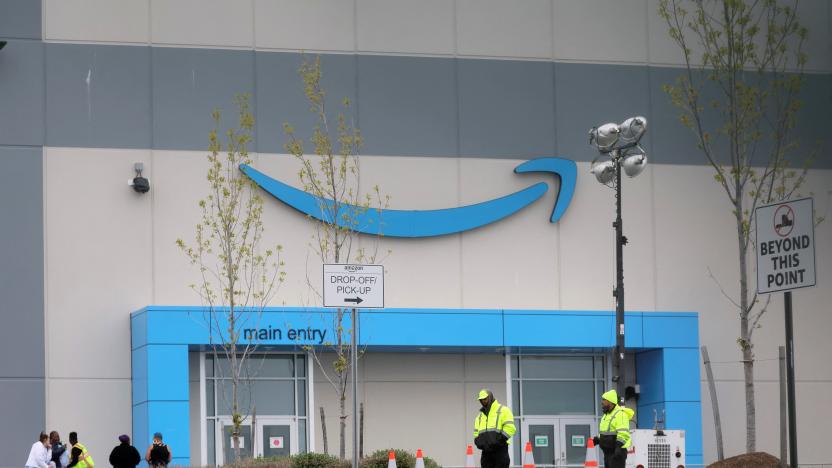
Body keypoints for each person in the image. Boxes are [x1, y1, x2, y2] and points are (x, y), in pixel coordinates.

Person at [473, 389, 516, 468]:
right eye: (481, 400)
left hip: (500, 450)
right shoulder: (479, 417)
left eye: (485, 399)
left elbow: (510, 428)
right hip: (486, 453)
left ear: (490, 398)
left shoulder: (503, 410)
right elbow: (476, 433)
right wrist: (478, 442)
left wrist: (499, 441)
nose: (483, 401)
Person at [592, 390, 632, 468]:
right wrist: (597, 440)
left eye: (604, 400)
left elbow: (623, 433)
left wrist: (618, 447)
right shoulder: (606, 416)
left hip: (617, 452)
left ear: (610, 401)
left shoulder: (620, 414)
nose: (602, 402)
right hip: (607, 453)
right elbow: (605, 432)